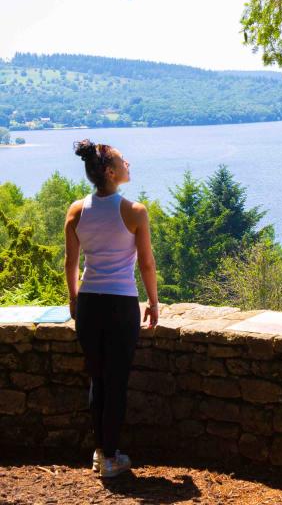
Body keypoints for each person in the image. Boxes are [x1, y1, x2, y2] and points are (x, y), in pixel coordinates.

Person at [64, 139, 159, 478]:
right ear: (109, 171)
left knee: (97, 378)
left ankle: (99, 450)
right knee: (115, 380)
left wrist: (75, 299)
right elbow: (146, 264)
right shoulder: (135, 212)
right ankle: (110, 457)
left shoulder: (76, 210)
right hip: (121, 305)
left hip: (89, 303)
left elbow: (71, 262)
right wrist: (154, 302)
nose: (128, 162)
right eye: (122, 160)